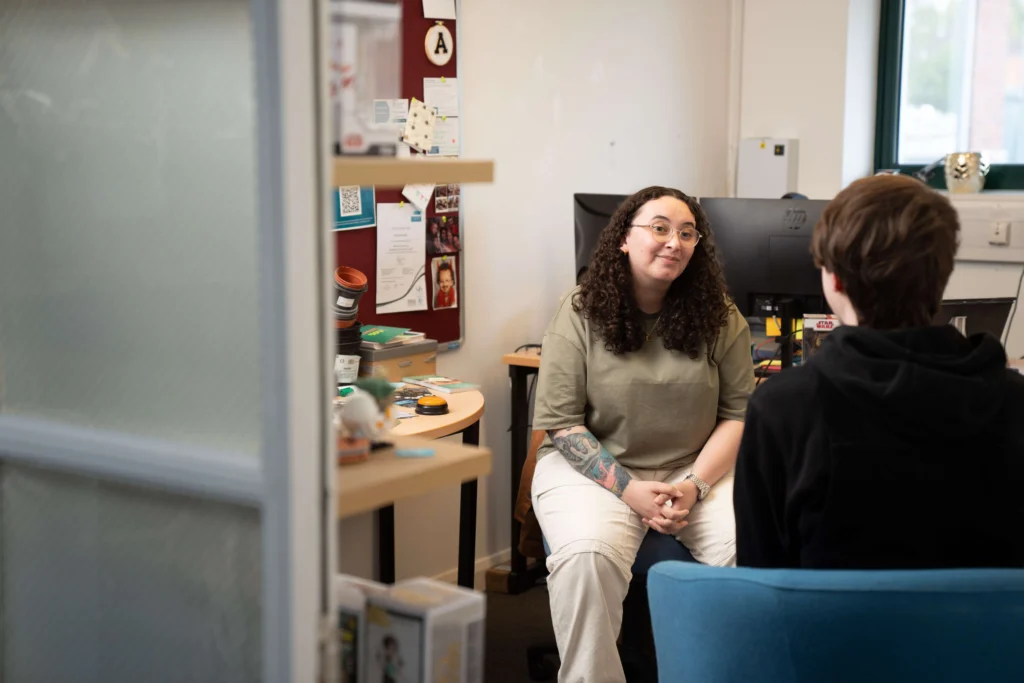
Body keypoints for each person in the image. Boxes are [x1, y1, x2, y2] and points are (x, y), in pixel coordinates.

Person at [733, 175, 1024, 569]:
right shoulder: (1013, 399)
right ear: (941, 277)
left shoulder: (782, 408)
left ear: (834, 278)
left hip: (831, 630)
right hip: (989, 632)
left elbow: (764, 578)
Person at [532, 185, 755, 683]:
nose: (673, 241)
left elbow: (737, 416)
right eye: (659, 227)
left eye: (686, 232)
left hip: (697, 469)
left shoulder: (719, 316)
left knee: (749, 550)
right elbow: (563, 424)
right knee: (587, 558)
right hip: (593, 470)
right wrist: (631, 491)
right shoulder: (579, 310)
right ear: (624, 240)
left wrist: (694, 485)